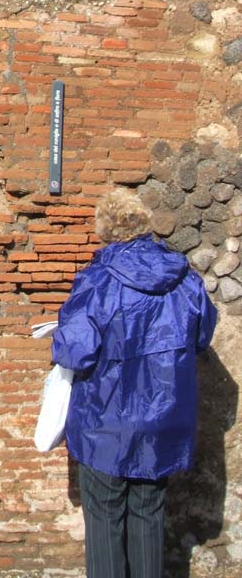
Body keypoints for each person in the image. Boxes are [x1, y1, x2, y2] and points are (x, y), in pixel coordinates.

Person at [51, 188, 218, 578]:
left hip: (105, 419)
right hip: (163, 417)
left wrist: (57, 336)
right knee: (149, 512)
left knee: (105, 515)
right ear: (144, 225)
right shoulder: (185, 279)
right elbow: (201, 335)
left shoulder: (97, 281)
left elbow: (75, 352)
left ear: (105, 231)